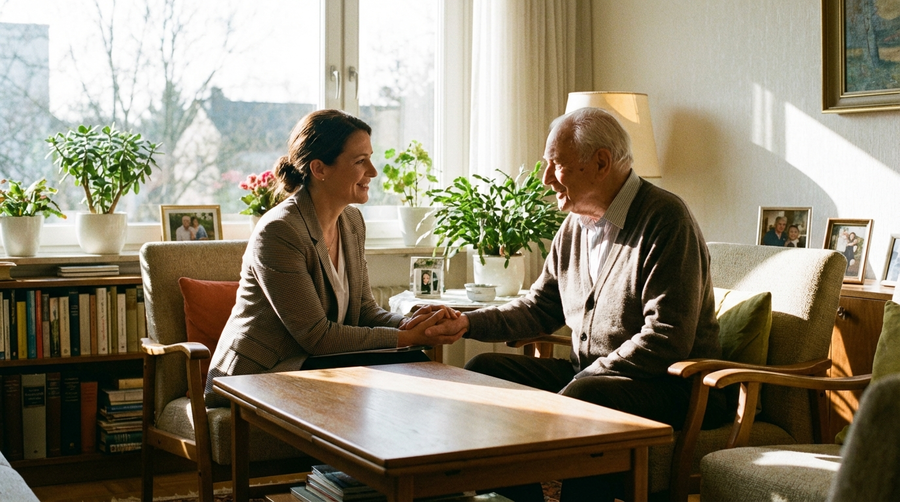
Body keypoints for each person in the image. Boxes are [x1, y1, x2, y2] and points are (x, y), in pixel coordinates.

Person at [422, 107, 727, 502]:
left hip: (672, 387)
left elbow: (666, 337)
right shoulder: (574, 227)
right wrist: (467, 323)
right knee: (485, 371)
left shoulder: (666, 219)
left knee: (589, 396)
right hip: (590, 377)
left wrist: (584, 379)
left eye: (556, 165)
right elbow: (539, 307)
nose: (546, 178)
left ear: (600, 163)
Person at [204, 109, 461, 408]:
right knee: (407, 361)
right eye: (360, 161)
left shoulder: (352, 222)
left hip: (316, 363)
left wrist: (413, 324)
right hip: (256, 375)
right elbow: (317, 337)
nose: (373, 171)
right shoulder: (280, 231)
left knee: (413, 362)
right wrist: (408, 337)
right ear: (319, 169)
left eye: (370, 158)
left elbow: (365, 311)